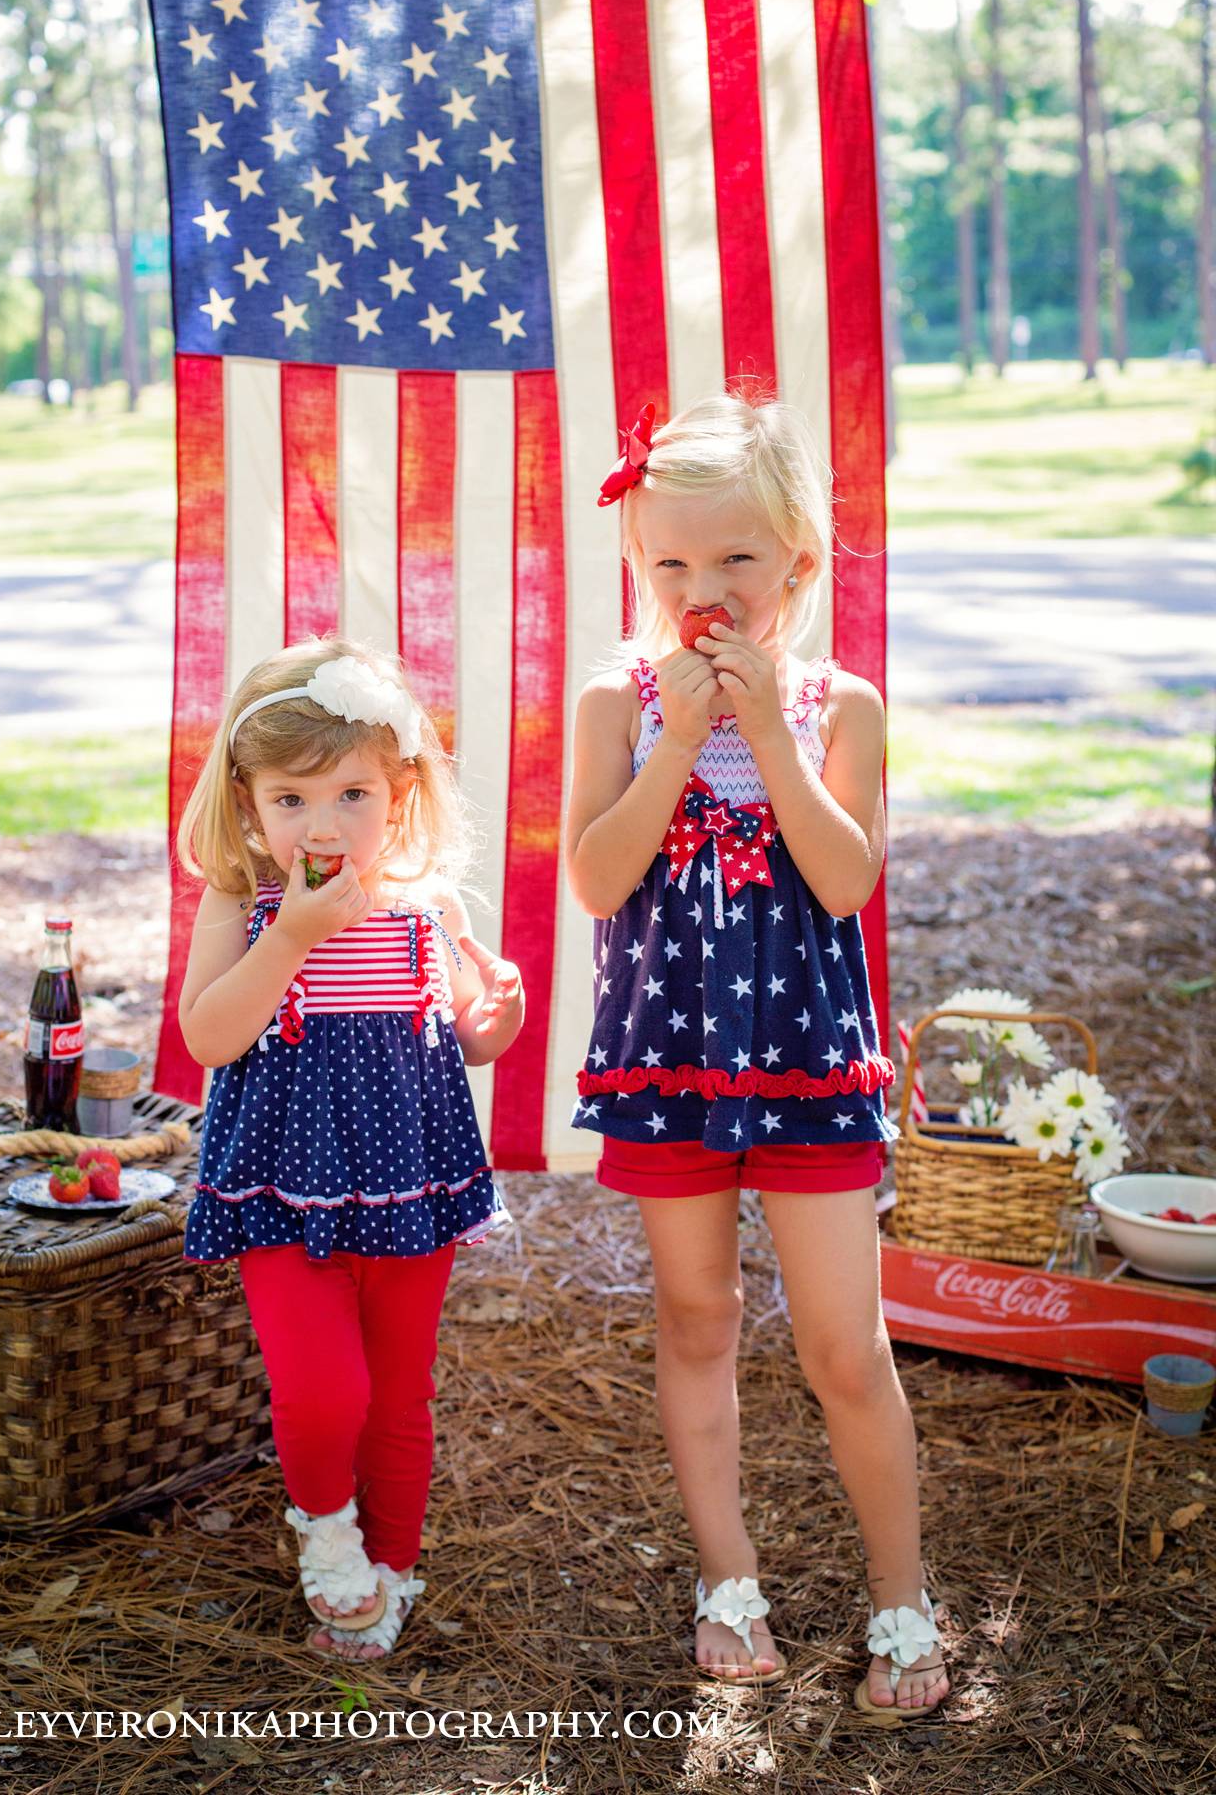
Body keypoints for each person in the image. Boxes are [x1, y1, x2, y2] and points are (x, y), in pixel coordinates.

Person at [565, 393, 950, 1718]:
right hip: (668, 1068)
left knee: (848, 1346)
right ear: (640, 569)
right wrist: (678, 736)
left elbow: (845, 883)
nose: (702, 590)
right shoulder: (619, 702)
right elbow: (599, 881)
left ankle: (901, 1593)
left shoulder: (843, 703)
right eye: (671, 564)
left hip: (807, 1066)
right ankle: (728, 1578)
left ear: (797, 563)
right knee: (698, 1319)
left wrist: (772, 737)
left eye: (734, 559)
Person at [176, 638, 523, 1662]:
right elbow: (209, 1036)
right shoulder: (247, 907)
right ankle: (327, 1535)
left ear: (402, 792)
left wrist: (494, 1015)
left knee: (399, 1385)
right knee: (324, 1385)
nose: (321, 827)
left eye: (351, 796)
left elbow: (469, 1034)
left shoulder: (427, 908)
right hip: (283, 1179)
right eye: (291, 800)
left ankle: (394, 1562)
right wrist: (288, 941)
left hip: (407, 1178)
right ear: (248, 802)